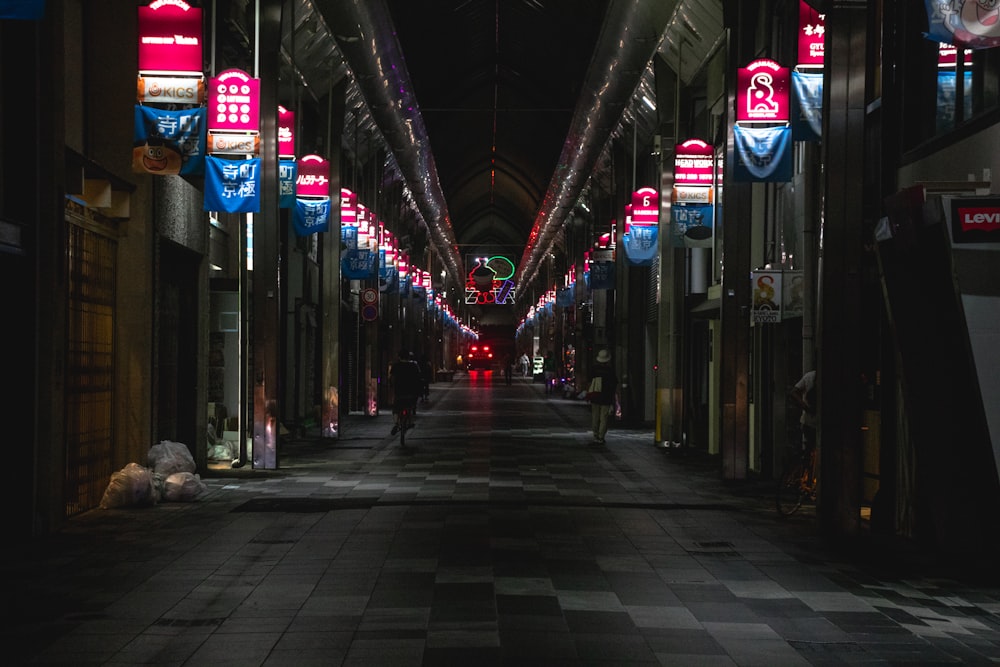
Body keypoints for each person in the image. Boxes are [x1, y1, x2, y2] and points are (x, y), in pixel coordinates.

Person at [389, 349, 422, 435]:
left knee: (396, 409)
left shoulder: (396, 366)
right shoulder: (414, 366)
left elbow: (392, 378)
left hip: (399, 392)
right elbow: (418, 379)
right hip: (411, 393)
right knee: (410, 406)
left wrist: (392, 387)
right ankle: (410, 421)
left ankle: (396, 423)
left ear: (399, 357)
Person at [588, 349, 618, 444]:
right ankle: (601, 436)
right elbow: (614, 384)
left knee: (595, 416)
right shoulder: (610, 371)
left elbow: (589, 381)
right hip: (606, 397)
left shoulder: (594, 369)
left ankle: (595, 434)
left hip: (595, 395)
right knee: (604, 417)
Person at [789, 369, 817, 452]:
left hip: (808, 421)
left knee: (810, 448)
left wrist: (805, 406)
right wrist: (805, 406)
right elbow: (793, 393)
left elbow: (793, 392)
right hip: (810, 421)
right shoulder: (810, 376)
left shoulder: (810, 376)